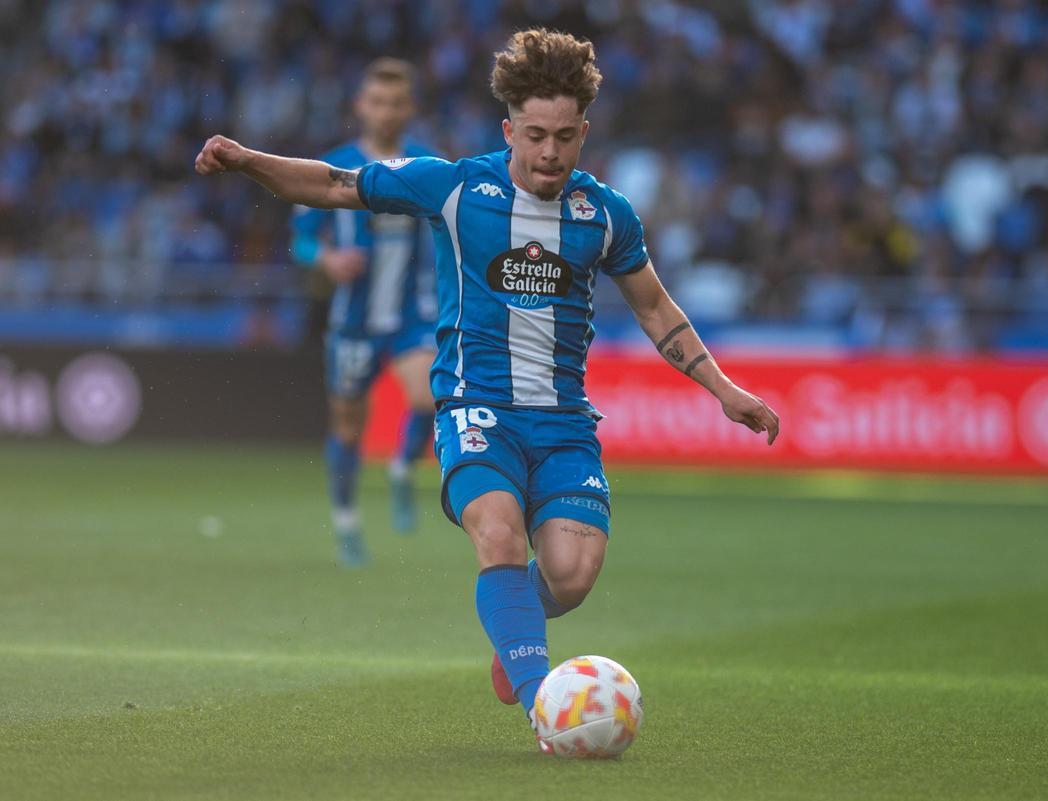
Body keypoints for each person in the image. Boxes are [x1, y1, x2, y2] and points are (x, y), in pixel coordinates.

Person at [195, 29, 779, 749]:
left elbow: (656, 308)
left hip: (564, 423)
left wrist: (723, 389)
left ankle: (515, 635)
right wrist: (247, 161)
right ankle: (545, 709)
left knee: (573, 575)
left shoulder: (605, 214)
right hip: (477, 410)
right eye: (535, 135)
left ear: (584, 133)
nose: (549, 153)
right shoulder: (456, 188)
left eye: (564, 136)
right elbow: (333, 185)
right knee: (497, 534)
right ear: (509, 131)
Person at [290, 58, 439, 567]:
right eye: (377, 102)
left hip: (410, 317)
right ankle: (347, 523)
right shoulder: (333, 167)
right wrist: (328, 259)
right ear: (360, 106)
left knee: (430, 396)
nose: (386, 112)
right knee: (349, 429)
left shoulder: (426, 166)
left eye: (396, 103)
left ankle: (401, 468)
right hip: (352, 323)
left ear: (410, 108)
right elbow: (300, 241)